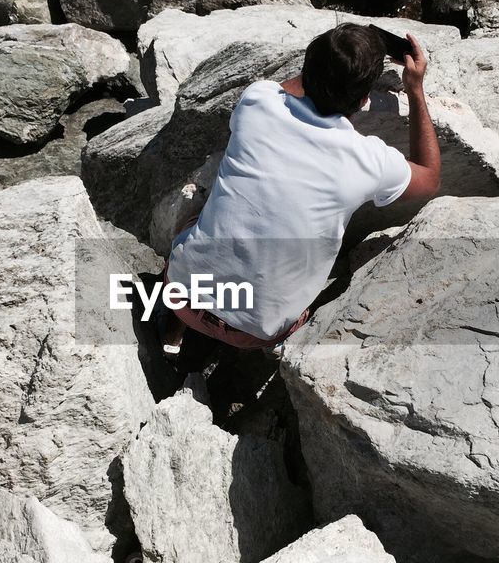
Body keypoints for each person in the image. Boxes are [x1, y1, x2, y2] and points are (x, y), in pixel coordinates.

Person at [162, 23, 440, 353]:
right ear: (365, 98)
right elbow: (429, 176)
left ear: (306, 69)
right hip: (256, 333)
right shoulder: (368, 160)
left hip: (178, 292)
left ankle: (172, 336)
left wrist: (333, 59)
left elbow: (288, 88)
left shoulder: (258, 101)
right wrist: (415, 88)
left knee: (196, 210)